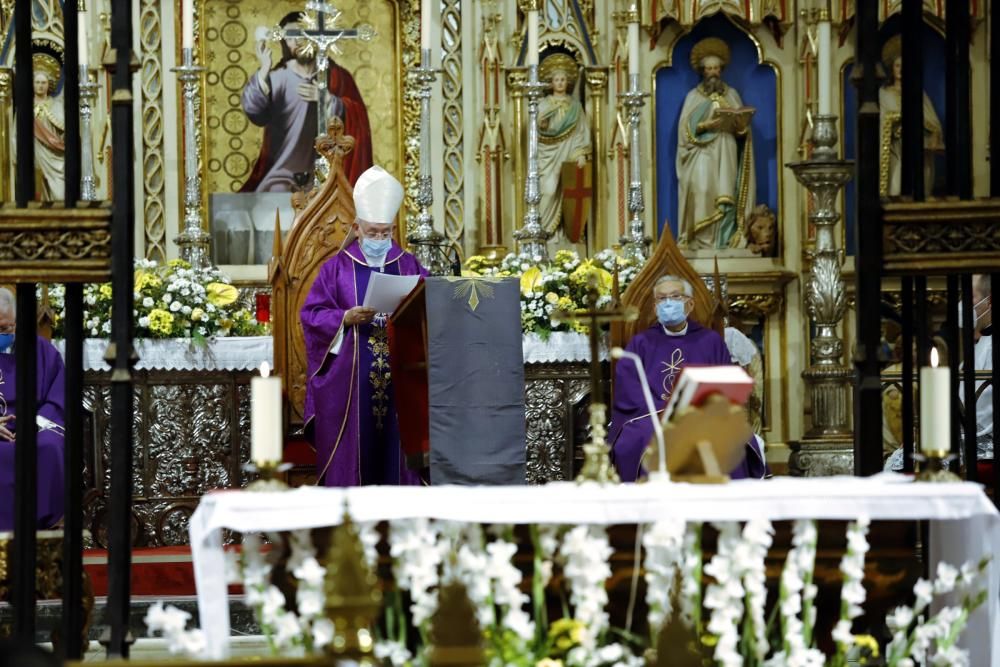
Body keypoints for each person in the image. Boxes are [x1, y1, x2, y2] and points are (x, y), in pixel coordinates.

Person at [301, 166, 427, 486]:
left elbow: (430, 304)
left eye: (385, 233)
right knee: (358, 450)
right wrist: (344, 318)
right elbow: (311, 314)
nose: (379, 239)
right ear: (356, 228)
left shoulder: (407, 263)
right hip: (351, 382)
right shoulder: (337, 267)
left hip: (400, 371)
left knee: (397, 450)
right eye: (372, 232)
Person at [609, 275, 767, 482]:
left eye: (675, 297)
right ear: (655, 306)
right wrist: (665, 411)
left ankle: (721, 510)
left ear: (690, 304)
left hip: (702, 413)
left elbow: (725, 383)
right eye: (661, 299)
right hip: (651, 415)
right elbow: (628, 388)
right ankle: (650, 507)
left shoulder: (710, 341)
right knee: (641, 436)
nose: (668, 304)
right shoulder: (641, 343)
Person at [241, 11, 373, 191]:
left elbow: (359, 118)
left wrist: (328, 100)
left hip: (331, 173)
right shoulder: (279, 77)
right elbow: (256, 112)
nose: (297, 42)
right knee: (275, 196)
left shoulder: (338, 78)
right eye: (290, 37)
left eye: (302, 34)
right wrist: (264, 70)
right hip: (285, 172)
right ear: (284, 42)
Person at [676, 38, 755, 251]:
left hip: (727, 147)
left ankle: (724, 240)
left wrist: (741, 126)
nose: (712, 73)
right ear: (702, 70)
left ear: (722, 70)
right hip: (702, 152)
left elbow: (742, 132)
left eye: (716, 68)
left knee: (727, 192)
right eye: (708, 68)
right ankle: (700, 240)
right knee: (701, 189)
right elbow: (684, 132)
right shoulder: (693, 97)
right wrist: (705, 125)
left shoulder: (731, 95)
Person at [0, 288, 67, 532]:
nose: (1, 335)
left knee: (49, 446)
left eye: (6, 329)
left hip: (33, 429)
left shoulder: (41, 351)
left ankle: (45, 530)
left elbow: (58, 397)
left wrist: (34, 425)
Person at [878, 36, 943, 197]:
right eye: (897, 65)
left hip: (915, 147)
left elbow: (932, 121)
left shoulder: (917, 92)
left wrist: (929, 131)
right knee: (895, 188)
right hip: (894, 149)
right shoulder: (883, 93)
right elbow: (881, 120)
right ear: (892, 68)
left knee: (917, 188)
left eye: (904, 65)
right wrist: (897, 119)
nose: (900, 69)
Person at [537, 53, 591, 241]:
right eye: (556, 79)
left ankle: (564, 236)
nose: (560, 82)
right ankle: (544, 233)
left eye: (563, 79)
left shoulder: (575, 106)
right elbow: (535, 133)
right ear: (550, 83)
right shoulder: (543, 105)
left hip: (569, 154)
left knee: (569, 193)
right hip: (547, 156)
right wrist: (541, 126)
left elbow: (581, 132)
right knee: (548, 190)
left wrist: (580, 153)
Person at [13, 52, 65, 201]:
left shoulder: (57, 105)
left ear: (49, 84)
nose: (40, 86)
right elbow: (15, 135)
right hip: (33, 157)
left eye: (43, 83)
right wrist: (19, 156)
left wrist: (60, 143)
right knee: (35, 198)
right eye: (37, 82)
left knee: (60, 196)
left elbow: (66, 133)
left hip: (56, 159)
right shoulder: (25, 108)